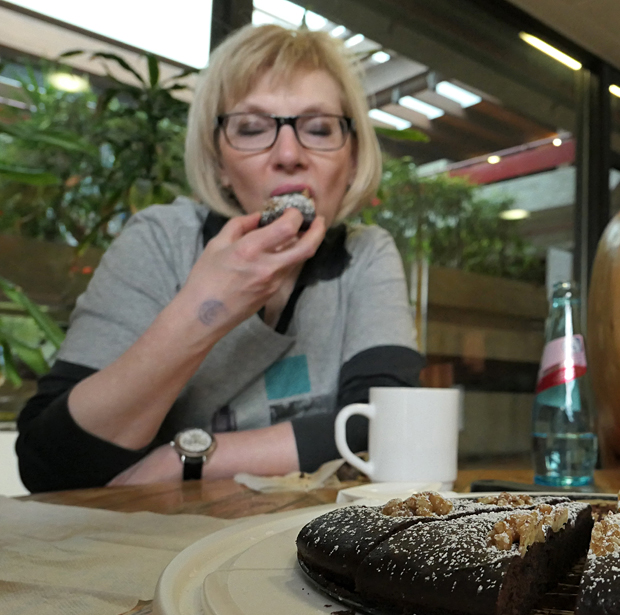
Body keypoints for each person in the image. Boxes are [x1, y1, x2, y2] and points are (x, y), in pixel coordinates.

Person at [16, 24, 422, 492]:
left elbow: (387, 425)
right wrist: (204, 308)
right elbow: (48, 464)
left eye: (318, 128)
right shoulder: (161, 240)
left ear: (351, 159)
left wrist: (188, 458)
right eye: (251, 129)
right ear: (218, 166)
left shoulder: (365, 254)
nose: (289, 154)